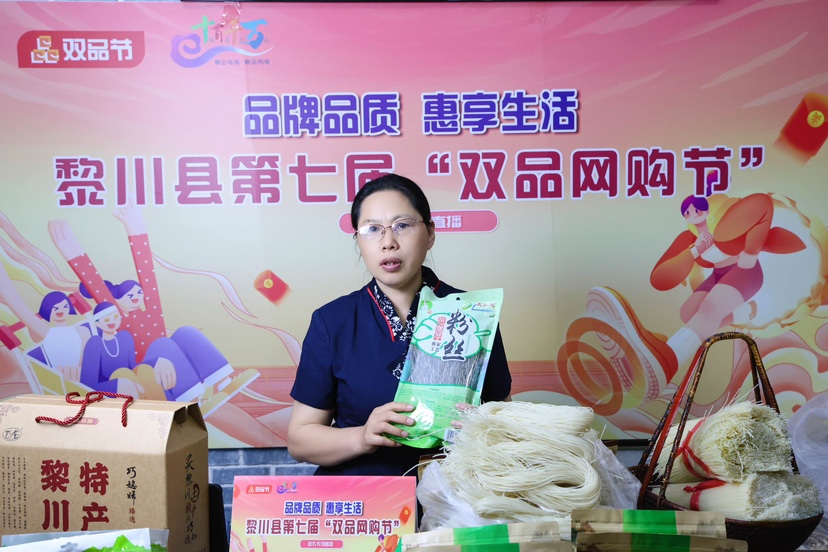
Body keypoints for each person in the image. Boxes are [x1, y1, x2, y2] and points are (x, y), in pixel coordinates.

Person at [287, 173, 512, 476]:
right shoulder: (332, 321)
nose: (388, 243)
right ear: (358, 241)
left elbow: (505, 420)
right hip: (363, 495)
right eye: (372, 229)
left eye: (402, 225)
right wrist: (362, 436)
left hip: (453, 492)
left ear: (430, 234)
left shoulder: (475, 313)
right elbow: (300, 440)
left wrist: (482, 427)